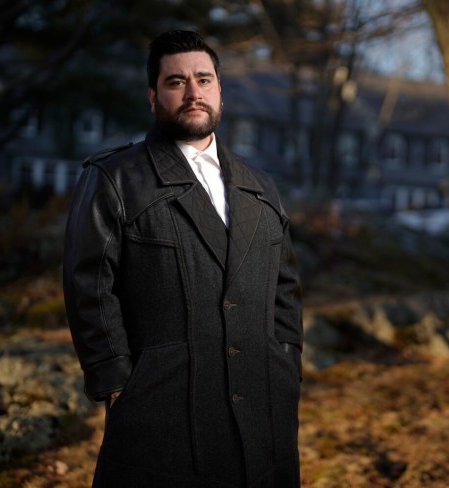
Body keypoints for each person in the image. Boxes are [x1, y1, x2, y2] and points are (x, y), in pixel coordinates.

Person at [62, 30, 304, 487]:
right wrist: (115, 381)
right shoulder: (114, 179)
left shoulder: (261, 186)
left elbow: (285, 291)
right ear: (153, 96)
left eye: (204, 79)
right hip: (161, 409)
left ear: (220, 92)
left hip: (264, 408)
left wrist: (285, 366)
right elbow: (88, 285)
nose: (193, 92)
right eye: (176, 82)